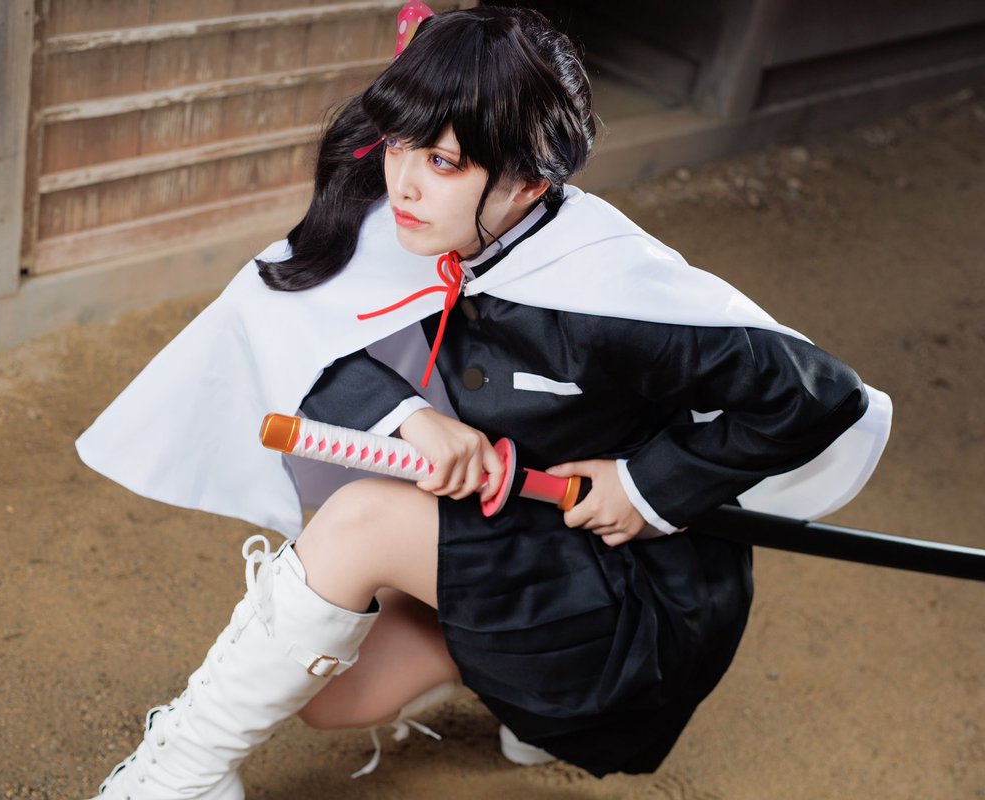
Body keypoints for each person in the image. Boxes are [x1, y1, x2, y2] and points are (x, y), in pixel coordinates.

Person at [78, 5, 891, 798]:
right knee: (330, 700)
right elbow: (288, 320)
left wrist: (643, 486)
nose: (403, 182)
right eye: (400, 143)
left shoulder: (615, 294)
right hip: (523, 528)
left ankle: (176, 779)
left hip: (634, 597)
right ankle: (500, 674)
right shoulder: (415, 219)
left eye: (444, 162)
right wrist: (413, 417)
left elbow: (824, 398)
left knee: (359, 525)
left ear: (531, 181)